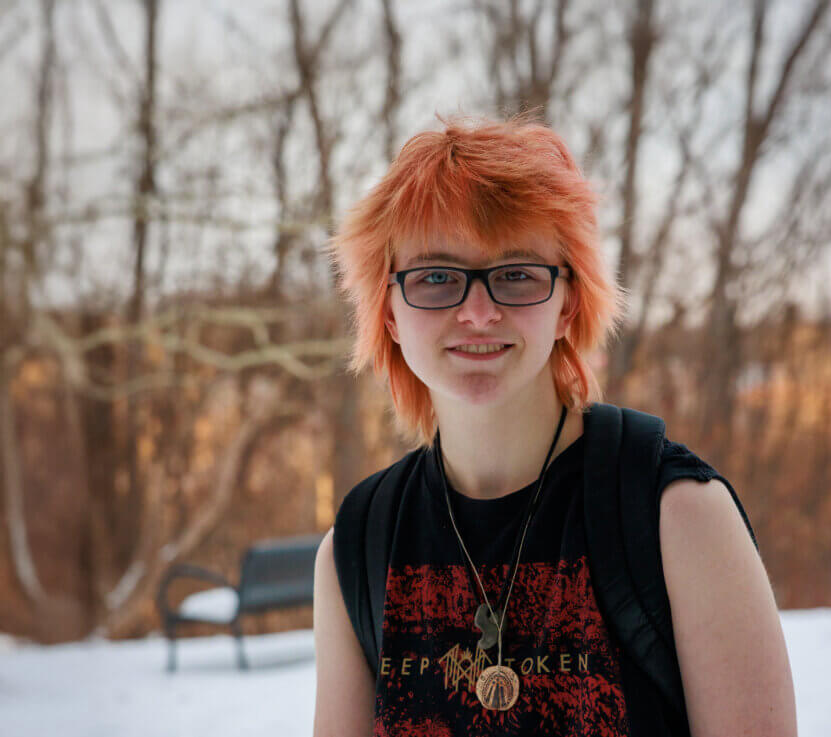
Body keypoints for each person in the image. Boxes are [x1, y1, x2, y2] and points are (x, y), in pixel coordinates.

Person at [312, 113, 797, 736]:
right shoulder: (356, 550)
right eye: (436, 278)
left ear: (568, 303)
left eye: (516, 275)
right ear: (388, 312)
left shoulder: (678, 517)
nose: (478, 313)